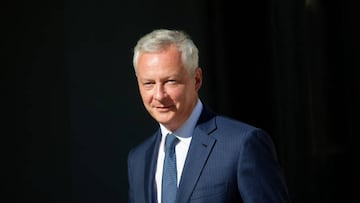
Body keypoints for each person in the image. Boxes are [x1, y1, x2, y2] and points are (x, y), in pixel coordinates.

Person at [127, 28, 291, 203]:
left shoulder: (242, 145)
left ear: (196, 80)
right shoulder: (138, 159)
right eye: (149, 83)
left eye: (170, 81)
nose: (159, 95)